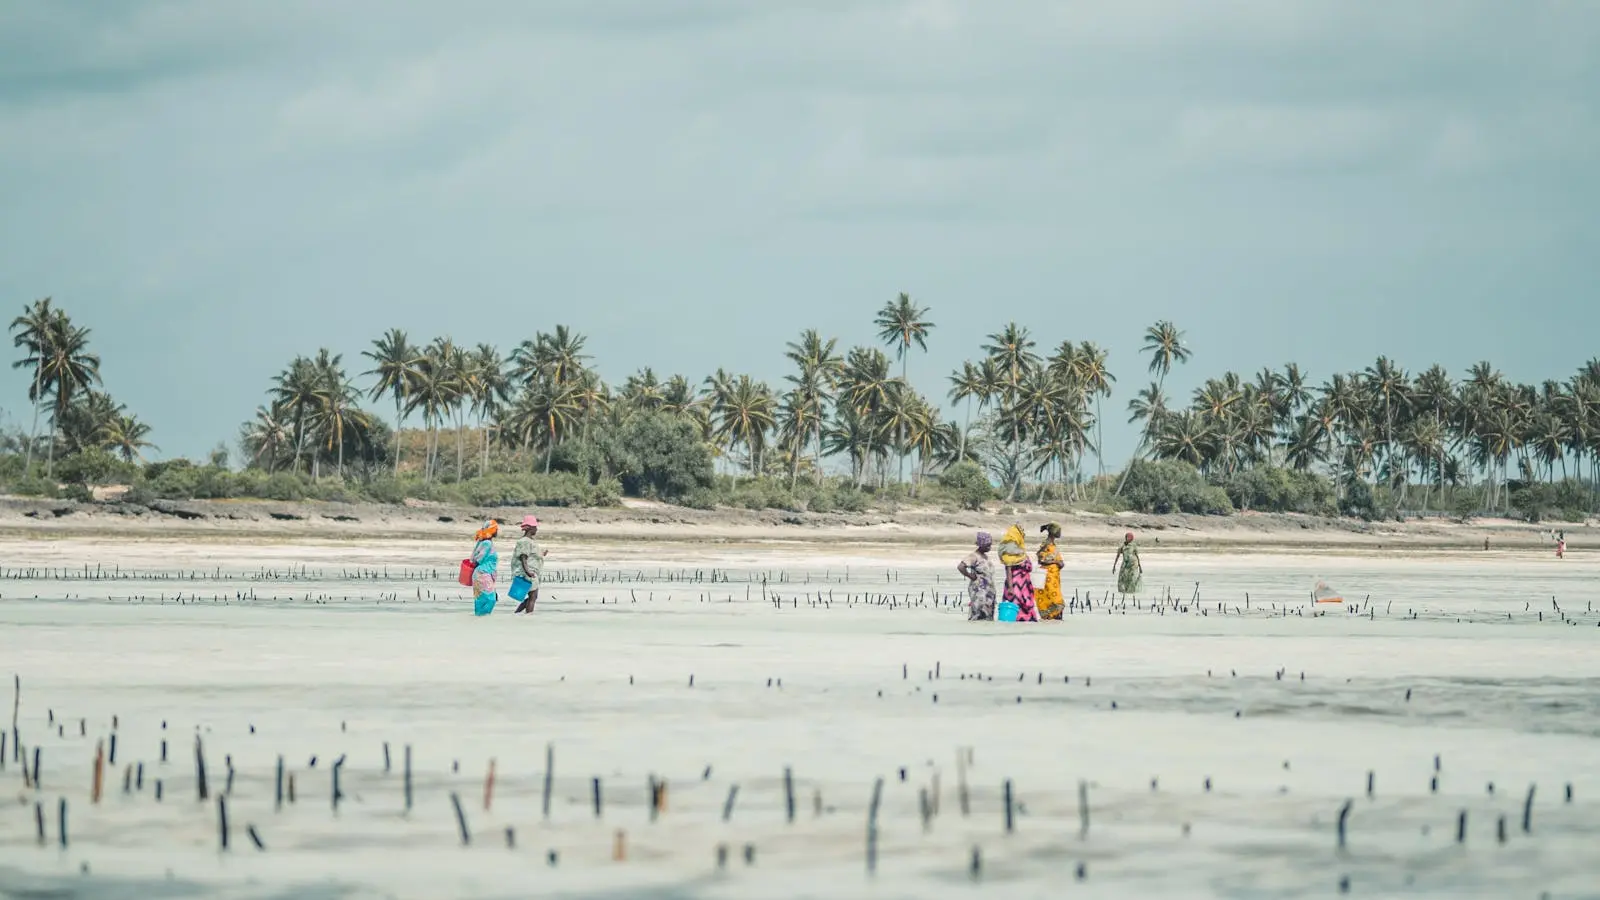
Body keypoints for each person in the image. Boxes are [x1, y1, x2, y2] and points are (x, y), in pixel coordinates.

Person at [998, 524, 1038, 621]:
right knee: (1015, 608)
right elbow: (1008, 569)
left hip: (1025, 586)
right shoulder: (1010, 551)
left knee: (1026, 608)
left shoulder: (1019, 551)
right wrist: (1011, 588)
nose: (1023, 534)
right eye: (1021, 532)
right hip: (1015, 585)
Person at [958, 532, 998, 621]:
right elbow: (961, 567)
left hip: (989, 592)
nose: (989, 547)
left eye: (990, 545)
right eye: (987, 545)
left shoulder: (985, 557)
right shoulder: (973, 556)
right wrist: (970, 576)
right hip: (979, 591)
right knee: (978, 614)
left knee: (988, 616)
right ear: (981, 545)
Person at [512, 515, 548, 614]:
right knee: (533, 596)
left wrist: (542, 554)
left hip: (531, 572)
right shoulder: (524, 542)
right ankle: (528, 616)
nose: (536, 529)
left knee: (532, 596)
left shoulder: (530, 541)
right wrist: (528, 571)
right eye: (535, 527)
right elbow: (523, 557)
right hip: (528, 573)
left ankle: (517, 613)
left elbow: (532, 555)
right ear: (530, 528)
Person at [470, 519, 500, 616]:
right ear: (492, 530)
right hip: (482, 574)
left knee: (481, 600)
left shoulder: (484, 542)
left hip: (482, 574)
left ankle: (479, 620)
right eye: (496, 529)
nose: (497, 531)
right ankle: (483, 619)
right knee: (490, 599)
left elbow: (473, 557)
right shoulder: (487, 543)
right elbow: (478, 559)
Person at [1036, 523, 1064, 620]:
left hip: (1054, 577)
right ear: (1054, 532)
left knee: (1056, 602)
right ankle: (1051, 618)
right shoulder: (1046, 544)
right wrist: (1056, 561)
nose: (1060, 533)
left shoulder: (1052, 544)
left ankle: (1053, 622)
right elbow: (1041, 560)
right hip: (1048, 577)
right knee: (1055, 602)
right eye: (1059, 531)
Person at [1113, 531, 1142, 595]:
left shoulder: (1134, 545)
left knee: (1131, 578)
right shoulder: (1122, 546)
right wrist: (1114, 566)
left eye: (1130, 537)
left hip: (1133, 564)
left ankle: (1130, 591)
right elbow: (1117, 556)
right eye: (1127, 537)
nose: (1128, 538)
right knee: (1122, 577)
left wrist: (1140, 567)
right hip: (1125, 564)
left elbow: (1137, 556)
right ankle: (1123, 591)